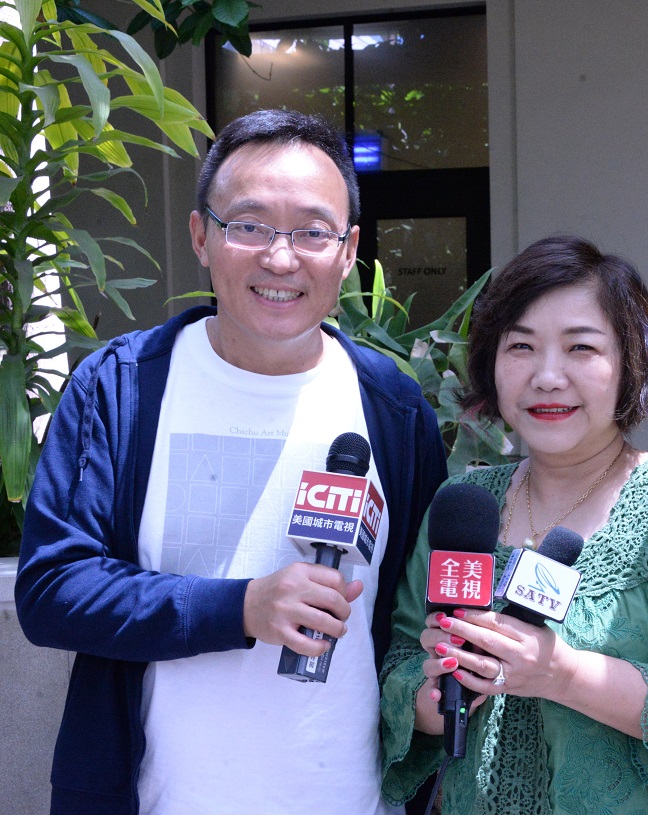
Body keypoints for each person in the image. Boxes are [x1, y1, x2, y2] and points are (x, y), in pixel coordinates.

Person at [16, 109, 447, 815]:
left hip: (349, 797)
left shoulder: (393, 410)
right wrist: (240, 607)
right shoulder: (121, 389)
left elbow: (415, 619)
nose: (280, 258)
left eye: (312, 231)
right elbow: (52, 590)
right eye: (249, 225)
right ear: (201, 236)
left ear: (348, 250)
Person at [378, 234, 648, 815]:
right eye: (521, 346)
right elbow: (398, 667)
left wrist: (559, 672)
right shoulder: (463, 503)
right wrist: (442, 687)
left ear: (631, 363)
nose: (547, 376)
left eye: (581, 348)